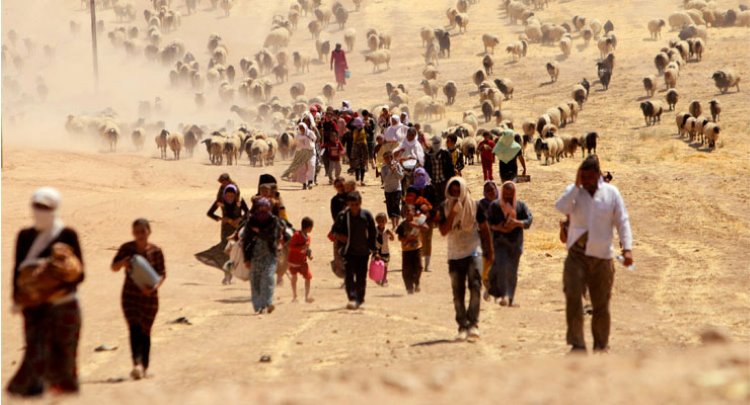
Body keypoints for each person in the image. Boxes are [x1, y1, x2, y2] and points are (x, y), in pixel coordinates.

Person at [8, 188, 84, 397]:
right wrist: (16, 297)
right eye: (37, 206)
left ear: (55, 208)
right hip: (33, 305)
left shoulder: (67, 235)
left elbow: (80, 275)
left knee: (65, 355)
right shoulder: (25, 236)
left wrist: (56, 282)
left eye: (46, 207)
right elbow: (17, 269)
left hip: (64, 304)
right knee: (35, 351)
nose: (41, 211)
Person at [555, 156, 633, 353]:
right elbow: (561, 207)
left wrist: (627, 248)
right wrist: (575, 185)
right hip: (576, 255)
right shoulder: (575, 193)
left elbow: (622, 221)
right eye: (584, 177)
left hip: (602, 256)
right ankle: (577, 344)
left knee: (601, 303)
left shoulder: (611, 193)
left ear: (598, 175)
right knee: (573, 298)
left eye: (591, 177)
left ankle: (601, 345)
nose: (588, 181)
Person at [438, 177, 494, 341]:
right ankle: (462, 325)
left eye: (458, 190)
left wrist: (489, 251)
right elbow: (443, 230)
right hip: (454, 253)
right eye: (452, 191)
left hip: (473, 251)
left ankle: (473, 324)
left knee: (475, 286)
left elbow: (484, 229)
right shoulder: (445, 207)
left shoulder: (475, 206)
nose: (456, 194)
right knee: (458, 292)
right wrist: (453, 213)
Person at [111, 218, 166, 380]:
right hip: (130, 295)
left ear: (149, 231)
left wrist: (153, 288)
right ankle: (137, 364)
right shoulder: (126, 249)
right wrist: (123, 263)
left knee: (145, 331)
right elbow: (113, 267)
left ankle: (145, 366)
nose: (140, 235)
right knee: (134, 327)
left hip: (150, 298)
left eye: (143, 231)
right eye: (137, 232)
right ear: (133, 233)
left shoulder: (156, 251)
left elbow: (162, 274)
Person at [487, 182, 533, 307]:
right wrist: (498, 228)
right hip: (500, 241)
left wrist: (516, 223)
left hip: (515, 242)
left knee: (512, 271)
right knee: (502, 267)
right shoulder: (495, 206)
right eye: (506, 193)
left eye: (510, 194)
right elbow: (487, 223)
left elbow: (529, 220)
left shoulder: (520, 206)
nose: (508, 196)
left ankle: (511, 297)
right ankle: (504, 295)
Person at [332, 191, 377, 309]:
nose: (354, 207)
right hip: (348, 251)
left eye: (356, 204)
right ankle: (352, 298)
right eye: (352, 205)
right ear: (348, 204)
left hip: (363, 252)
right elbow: (334, 231)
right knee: (349, 276)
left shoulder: (366, 216)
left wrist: (374, 249)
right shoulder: (342, 216)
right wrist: (340, 237)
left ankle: (360, 299)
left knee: (361, 277)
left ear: (360, 203)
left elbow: (373, 232)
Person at [243, 198, 283, 314]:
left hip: (270, 254)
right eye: (260, 207)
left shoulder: (273, 220)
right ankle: (258, 306)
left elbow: (273, 236)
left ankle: (268, 303)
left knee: (268, 278)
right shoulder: (251, 221)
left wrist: (259, 232)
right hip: (254, 255)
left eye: (265, 207)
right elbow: (246, 240)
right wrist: (246, 258)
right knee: (255, 281)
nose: (262, 210)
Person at [207, 185, 249, 283]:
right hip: (226, 230)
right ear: (224, 195)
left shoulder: (240, 202)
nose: (230, 197)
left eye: (232, 196)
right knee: (226, 252)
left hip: (238, 228)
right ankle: (227, 275)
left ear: (235, 195)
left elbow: (248, 213)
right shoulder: (220, 202)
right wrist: (222, 219)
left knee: (238, 251)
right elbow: (210, 213)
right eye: (228, 196)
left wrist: (240, 219)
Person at [409, 168, 438, 273]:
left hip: (428, 218)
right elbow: (409, 203)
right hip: (416, 218)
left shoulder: (430, 188)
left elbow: (435, 203)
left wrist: (430, 213)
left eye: (421, 175)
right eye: (417, 175)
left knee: (428, 240)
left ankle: (427, 265)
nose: (419, 177)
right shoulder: (411, 189)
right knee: (416, 239)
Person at [396, 205, 428, 294]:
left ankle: (416, 282)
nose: (407, 212)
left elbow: (426, 228)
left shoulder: (418, 221)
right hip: (406, 250)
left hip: (417, 248)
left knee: (419, 267)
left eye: (409, 211)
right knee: (406, 270)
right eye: (405, 211)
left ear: (413, 212)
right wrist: (407, 239)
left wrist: (416, 225)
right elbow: (399, 238)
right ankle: (409, 287)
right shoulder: (402, 225)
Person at [282, 122, 317, 190]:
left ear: (305, 127)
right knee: (302, 168)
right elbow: (296, 144)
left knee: (311, 165)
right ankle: (304, 183)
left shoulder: (310, 133)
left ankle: (310, 181)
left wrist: (310, 144)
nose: (301, 129)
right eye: (300, 128)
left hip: (310, 151)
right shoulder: (297, 135)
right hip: (301, 153)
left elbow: (315, 139)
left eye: (302, 128)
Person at [423, 135, 454, 208]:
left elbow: (450, 167)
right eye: (434, 142)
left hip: (444, 180)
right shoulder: (428, 154)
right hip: (433, 181)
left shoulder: (445, 153)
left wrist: (451, 179)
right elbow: (426, 167)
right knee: (435, 199)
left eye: (437, 143)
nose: (435, 144)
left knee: (445, 198)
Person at [289, 217, 314, 303]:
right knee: (294, 277)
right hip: (293, 261)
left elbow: (307, 249)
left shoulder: (308, 238)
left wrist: (309, 255)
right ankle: (294, 296)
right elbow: (291, 247)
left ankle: (307, 296)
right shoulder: (296, 236)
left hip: (302, 261)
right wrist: (300, 248)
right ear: (308, 227)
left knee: (308, 277)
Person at [381, 151, 404, 228]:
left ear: (392, 157)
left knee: (396, 205)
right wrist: (391, 171)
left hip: (397, 188)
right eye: (386, 158)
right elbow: (385, 180)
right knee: (390, 207)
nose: (388, 159)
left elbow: (401, 177)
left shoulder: (397, 165)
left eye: (389, 157)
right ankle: (394, 224)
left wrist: (395, 171)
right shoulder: (383, 168)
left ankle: (396, 225)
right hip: (388, 190)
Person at [374, 213, 394, 286]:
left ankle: (384, 279)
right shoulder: (374, 230)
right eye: (379, 221)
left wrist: (391, 234)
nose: (381, 223)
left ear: (385, 221)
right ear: (377, 222)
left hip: (385, 251)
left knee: (385, 266)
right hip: (376, 251)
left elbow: (392, 239)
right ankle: (378, 278)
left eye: (383, 221)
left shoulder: (387, 230)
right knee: (377, 265)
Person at [350, 117, 369, 185]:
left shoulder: (364, 130)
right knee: (357, 165)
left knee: (362, 165)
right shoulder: (355, 131)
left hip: (363, 148)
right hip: (356, 148)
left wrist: (366, 156)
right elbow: (354, 141)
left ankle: (362, 180)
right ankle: (357, 179)